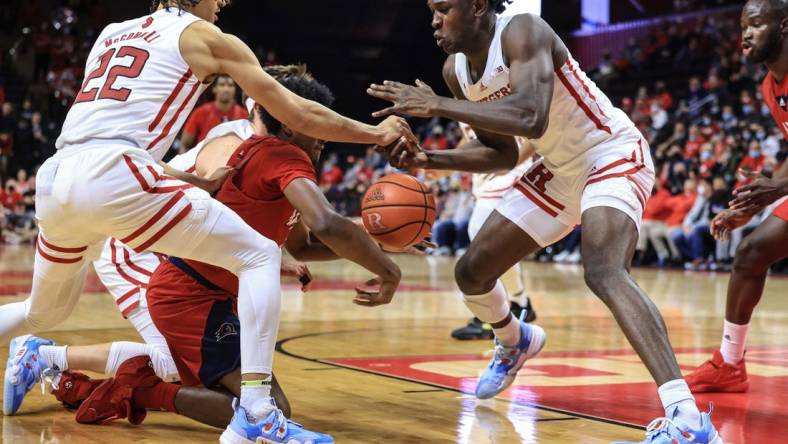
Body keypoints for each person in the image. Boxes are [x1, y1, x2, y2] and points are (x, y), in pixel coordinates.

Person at [1, 1, 412, 443]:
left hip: (60, 175)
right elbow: (300, 115)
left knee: (44, 311)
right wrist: (376, 133)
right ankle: (255, 412)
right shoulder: (205, 41)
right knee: (256, 254)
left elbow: (106, 132)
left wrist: (188, 178)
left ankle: (49, 357)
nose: (222, 6)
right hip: (122, 191)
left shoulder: (112, 33)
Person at [367, 1, 722, 442]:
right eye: (430, 10)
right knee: (471, 271)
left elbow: (530, 117)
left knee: (604, 270)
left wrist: (437, 106)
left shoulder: (523, 31)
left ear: (478, 6)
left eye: (444, 8)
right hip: (556, 169)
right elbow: (503, 152)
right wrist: (428, 158)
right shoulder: (455, 72)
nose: (435, 20)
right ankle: (516, 340)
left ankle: (687, 419)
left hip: (607, 153)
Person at [684, 0, 788, 394]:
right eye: (743, 25)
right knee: (750, 253)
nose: (745, 33)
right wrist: (757, 201)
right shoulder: (769, 86)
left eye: (757, 24)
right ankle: (729, 364)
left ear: (784, 26)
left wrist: (776, 189)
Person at [451, 123, 537, 340]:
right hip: (485, 177)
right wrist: (447, 162)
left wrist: (517, 159)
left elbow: (536, 124)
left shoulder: (504, 88)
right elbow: (470, 136)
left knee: (483, 245)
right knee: (496, 249)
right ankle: (520, 303)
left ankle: (490, 318)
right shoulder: (461, 95)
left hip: (510, 172)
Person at [180, 74, 247, 151]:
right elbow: (185, 144)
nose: (226, 89)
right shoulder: (200, 112)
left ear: (235, 90)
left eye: (230, 85)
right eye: (222, 85)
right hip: (203, 160)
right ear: (214, 89)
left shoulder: (244, 115)